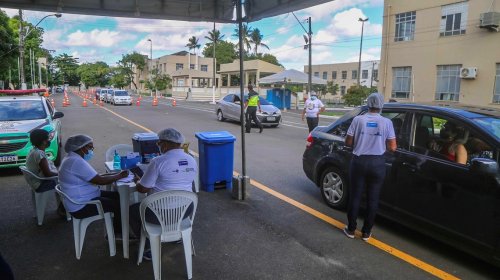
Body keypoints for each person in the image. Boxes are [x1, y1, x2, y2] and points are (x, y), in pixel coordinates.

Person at [129, 128, 198, 260]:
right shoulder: (191, 159)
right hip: (185, 210)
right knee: (173, 205)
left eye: (158, 143)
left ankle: (148, 246)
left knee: (133, 211)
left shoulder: (158, 161)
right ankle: (177, 233)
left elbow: (142, 189)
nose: (158, 146)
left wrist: (138, 181)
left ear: (164, 144)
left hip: (159, 213)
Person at [343, 93, 397, 241]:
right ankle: (366, 232)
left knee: (355, 196)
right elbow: (393, 147)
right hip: (377, 163)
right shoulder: (387, 122)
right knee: (373, 199)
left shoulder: (358, 119)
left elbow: (348, 142)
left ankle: (351, 230)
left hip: (359, 162)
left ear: (368, 104)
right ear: (381, 105)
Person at [58, 135, 128, 236]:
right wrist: (120, 176)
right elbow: (100, 181)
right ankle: (118, 234)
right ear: (82, 148)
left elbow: (95, 177)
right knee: (119, 204)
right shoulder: (76, 162)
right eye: (90, 147)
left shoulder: (70, 158)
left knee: (118, 196)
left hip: (80, 198)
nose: (91, 150)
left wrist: (115, 175)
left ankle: (118, 227)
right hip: (81, 206)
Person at [25, 129, 66, 216]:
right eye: (48, 139)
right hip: (41, 184)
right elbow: (48, 174)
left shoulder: (33, 151)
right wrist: (61, 175)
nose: (49, 141)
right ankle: (64, 209)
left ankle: (62, 208)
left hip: (35, 183)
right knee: (66, 184)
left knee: (63, 180)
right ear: (43, 141)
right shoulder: (40, 154)